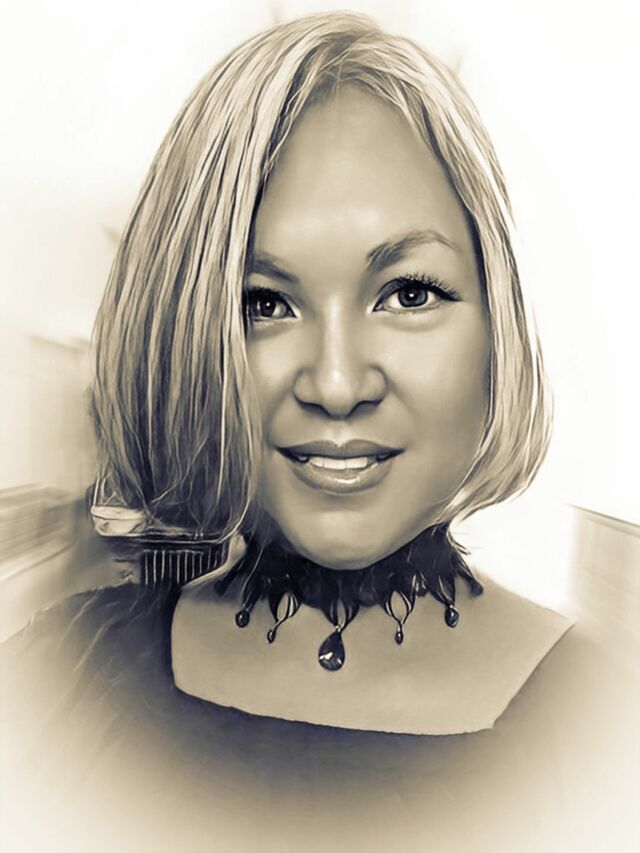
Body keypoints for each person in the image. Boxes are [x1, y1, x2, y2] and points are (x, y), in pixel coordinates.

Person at [3, 12, 632, 853]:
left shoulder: (613, 734)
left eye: (409, 293)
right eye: (264, 302)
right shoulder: (45, 682)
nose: (336, 384)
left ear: (498, 326)